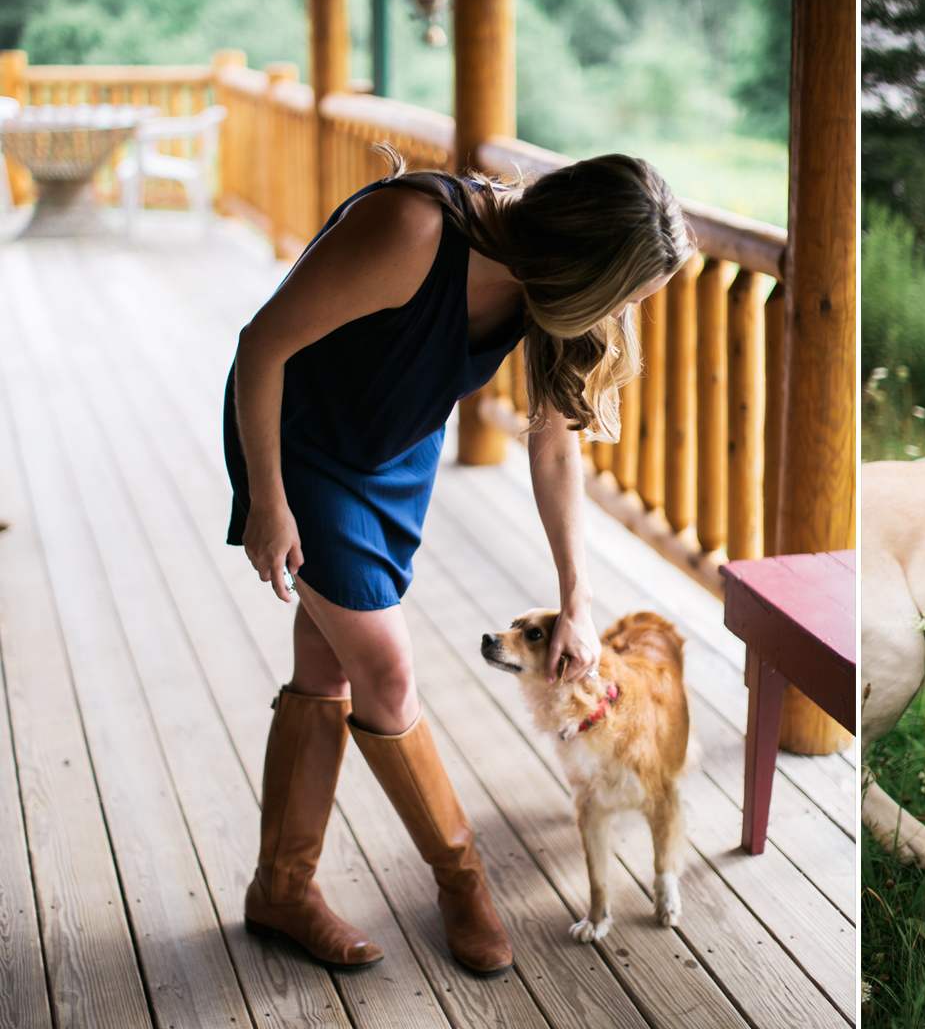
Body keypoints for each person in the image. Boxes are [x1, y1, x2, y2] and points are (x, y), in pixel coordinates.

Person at [224, 152, 694, 974]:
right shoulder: (414, 229)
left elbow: (552, 449)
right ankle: (461, 878)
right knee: (386, 666)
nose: (620, 316)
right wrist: (268, 499)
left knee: (326, 656)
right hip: (298, 444)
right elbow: (261, 345)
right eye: (621, 295)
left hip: (394, 453)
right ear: (580, 260)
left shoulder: (550, 295)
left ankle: (280, 888)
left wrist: (576, 596)